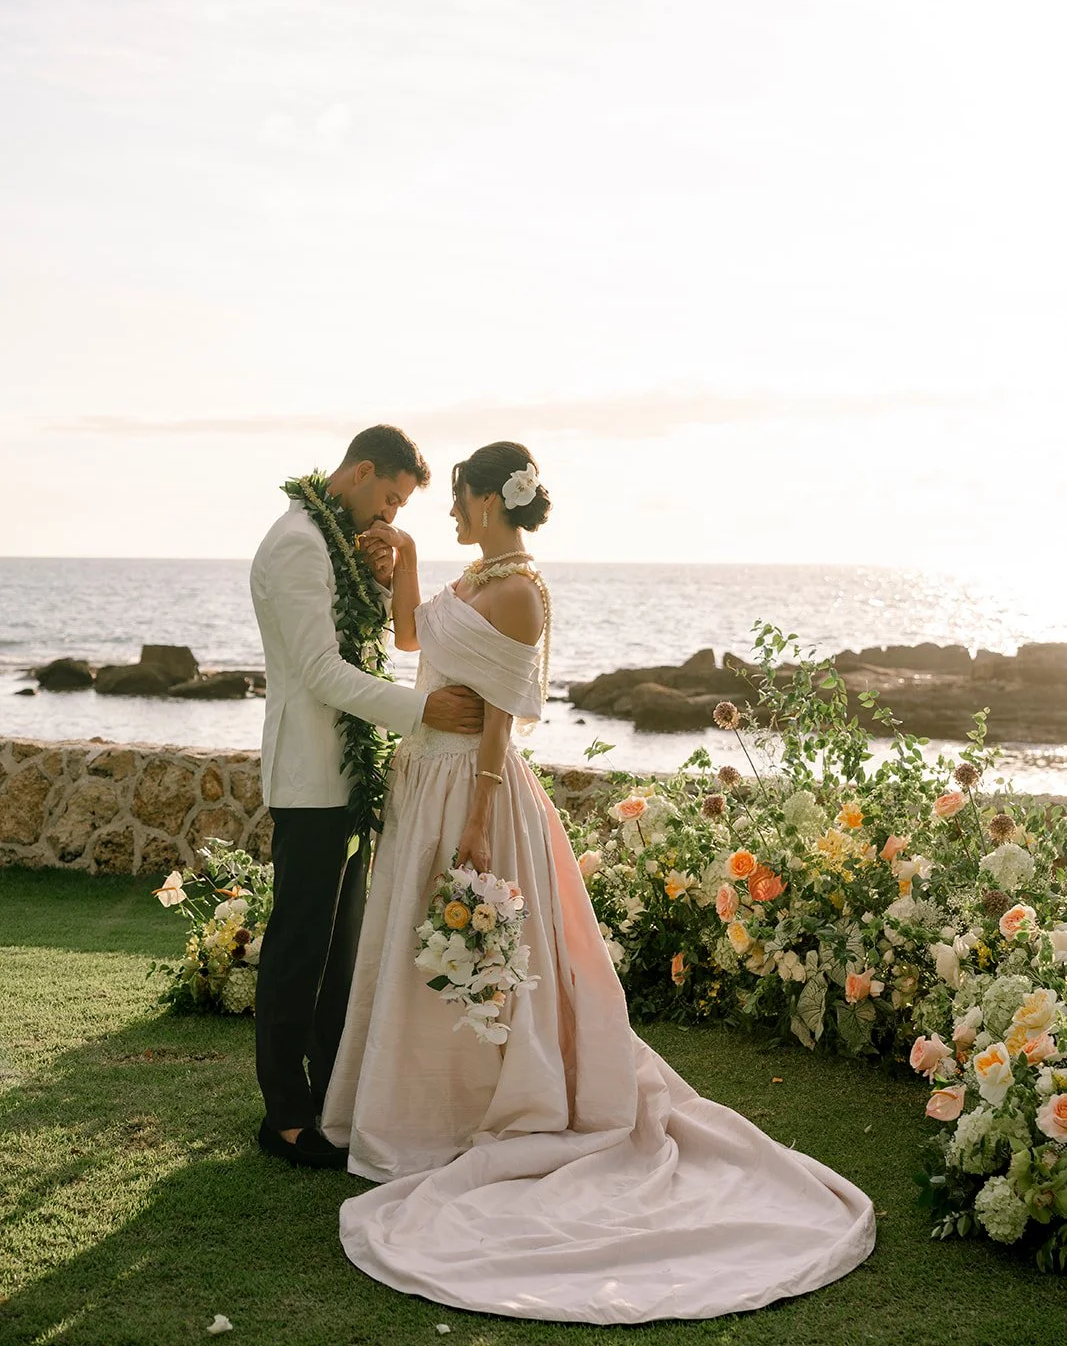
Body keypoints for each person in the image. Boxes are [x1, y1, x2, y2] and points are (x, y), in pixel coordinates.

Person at [321, 441, 876, 1325]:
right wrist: (413, 563)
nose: (450, 514)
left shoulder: (518, 591)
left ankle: (486, 1105)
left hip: (473, 790)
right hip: (422, 778)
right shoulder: (472, 578)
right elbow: (410, 638)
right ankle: (411, 1112)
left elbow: (501, 717)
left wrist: (476, 818)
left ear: (486, 499)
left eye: (456, 503)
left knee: (479, 949)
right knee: (417, 951)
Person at [249, 424, 484, 1169]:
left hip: (348, 778)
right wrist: (421, 711)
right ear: (355, 473)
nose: (388, 516)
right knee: (298, 950)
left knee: (339, 952)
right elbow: (319, 670)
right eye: (386, 498)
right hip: (311, 776)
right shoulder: (296, 542)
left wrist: (379, 583)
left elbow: (358, 643)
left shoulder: (334, 545)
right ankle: (283, 1115)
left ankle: (329, 1099)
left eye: (400, 507)